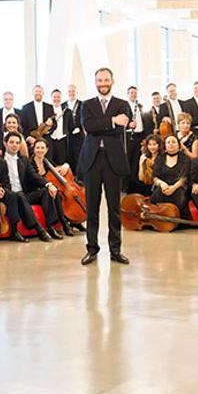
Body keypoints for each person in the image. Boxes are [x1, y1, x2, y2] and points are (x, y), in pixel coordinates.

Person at [78, 67, 131, 265]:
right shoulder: (86, 105)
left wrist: (103, 125)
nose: (103, 83)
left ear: (112, 81)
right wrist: (111, 121)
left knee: (114, 208)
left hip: (113, 161)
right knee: (91, 208)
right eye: (99, 80)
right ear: (95, 82)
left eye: (106, 80)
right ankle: (92, 249)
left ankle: (115, 250)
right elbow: (88, 126)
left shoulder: (122, 104)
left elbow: (121, 125)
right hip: (92, 160)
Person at [30, 138, 76, 237]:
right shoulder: (29, 163)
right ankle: (51, 226)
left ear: (46, 150)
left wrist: (66, 165)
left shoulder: (47, 162)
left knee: (57, 194)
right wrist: (49, 185)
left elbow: (59, 169)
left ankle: (65, 224)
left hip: (46, 192)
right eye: (37, 148)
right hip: (32, 192)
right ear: (33, 149)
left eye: (43, 148)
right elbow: (35, 177)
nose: (40, 150)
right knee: (48, 192)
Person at [150, 135, 191, 219]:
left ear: (178, 145)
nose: (171, 144)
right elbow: (155, 176)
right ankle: (158, 220)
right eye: (168, 142)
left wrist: (173, 188)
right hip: (163, 186)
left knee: (179, 195)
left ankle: (175, 219)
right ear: (165, 145)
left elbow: (184, 177)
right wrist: (162, 184)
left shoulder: (185, 158)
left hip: (179, 187)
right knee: (157, 194)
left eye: (173, 142)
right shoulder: (160, 158)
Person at [62, 84, 84, 172]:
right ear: (67, 93)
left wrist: (79, 127)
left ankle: (78, 176)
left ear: (76, 92)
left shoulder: (82, 104)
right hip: (66, 135)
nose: (71, 93)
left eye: (73, 91)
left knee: (78, 155)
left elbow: (84, 118)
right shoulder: (63, 105)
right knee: (68, 155)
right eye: (69, 91)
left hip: (78, 134)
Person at [47, 89, 71, 165]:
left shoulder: (67, 111)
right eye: (54, 97)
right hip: (50, 139)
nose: (56, 99)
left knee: (62, 162)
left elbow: (70, 127)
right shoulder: (47, 110)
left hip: (62, 140)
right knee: (50, 162)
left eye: (58, 97)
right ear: (51, 98)